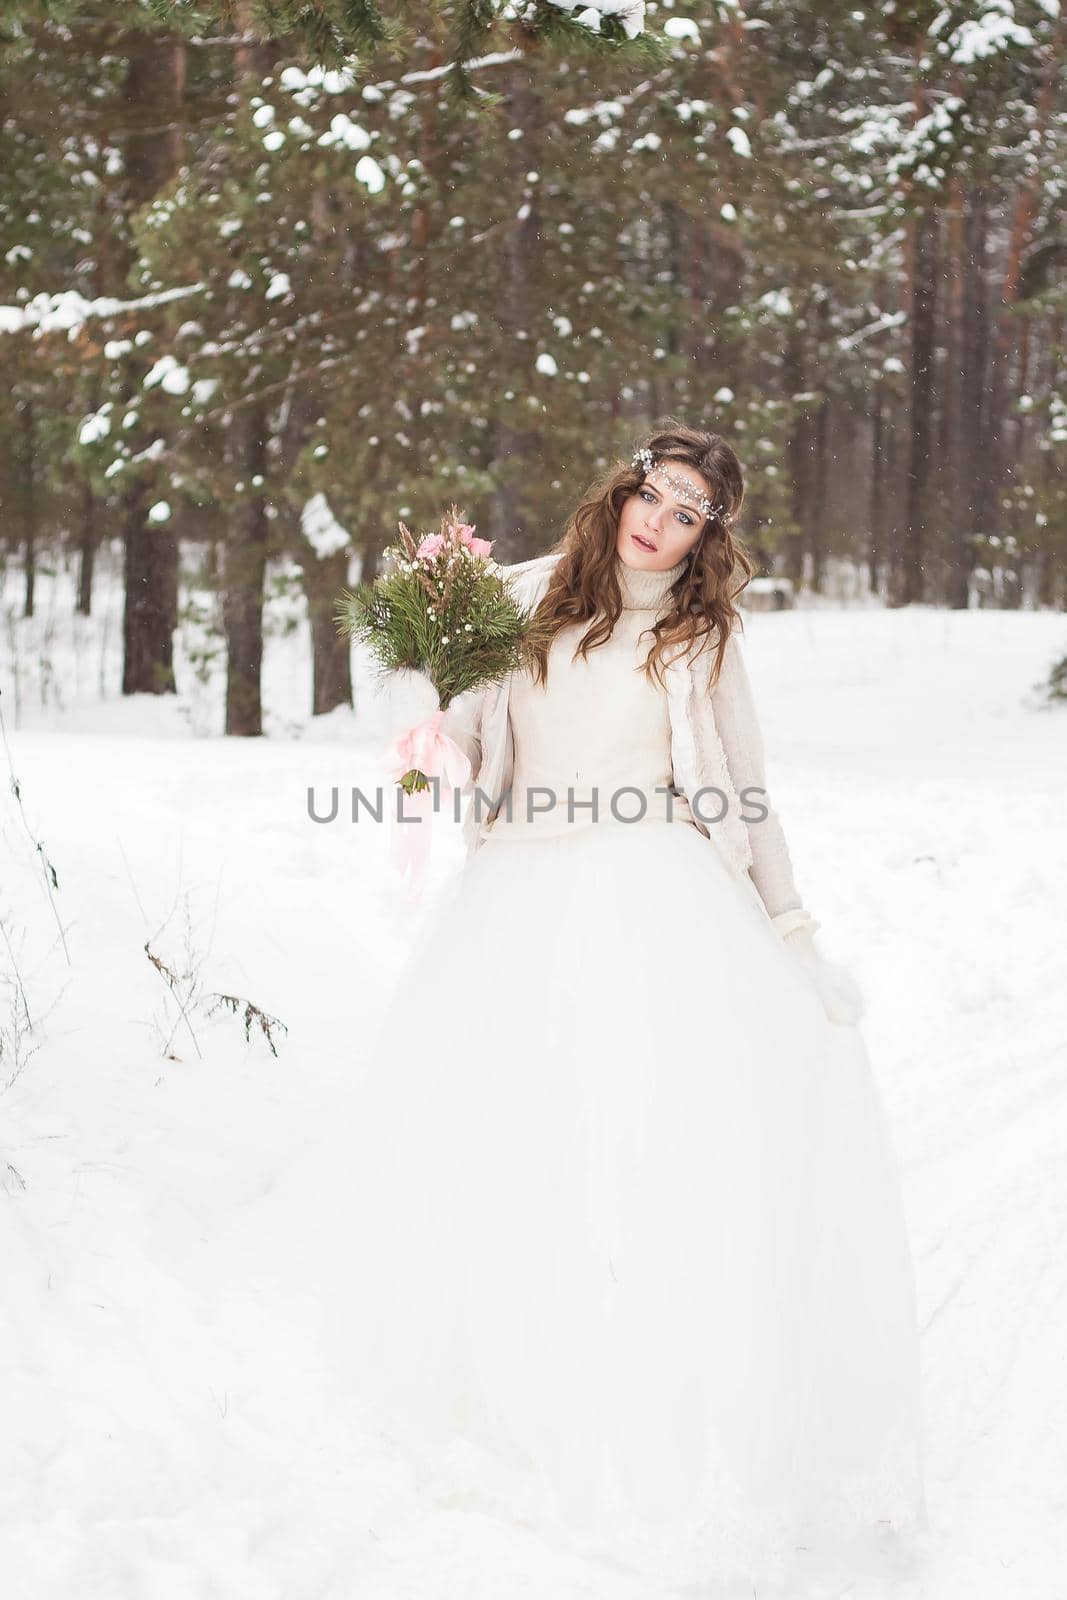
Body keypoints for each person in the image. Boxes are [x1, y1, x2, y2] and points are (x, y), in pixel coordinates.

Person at [329, 423, 926, 1594]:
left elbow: (743, 788)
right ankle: (517, 1397)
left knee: (646, 1159)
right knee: (515, 1156)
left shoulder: (699, 635)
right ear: (621, 492)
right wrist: (425, 732)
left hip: (652, 891)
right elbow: (450, 734)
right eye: (651, 495)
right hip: (516, 894)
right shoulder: (513, 600)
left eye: (687, 512)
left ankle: (655, 1401)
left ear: (709, 536)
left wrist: (790, 922)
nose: (657, 521)